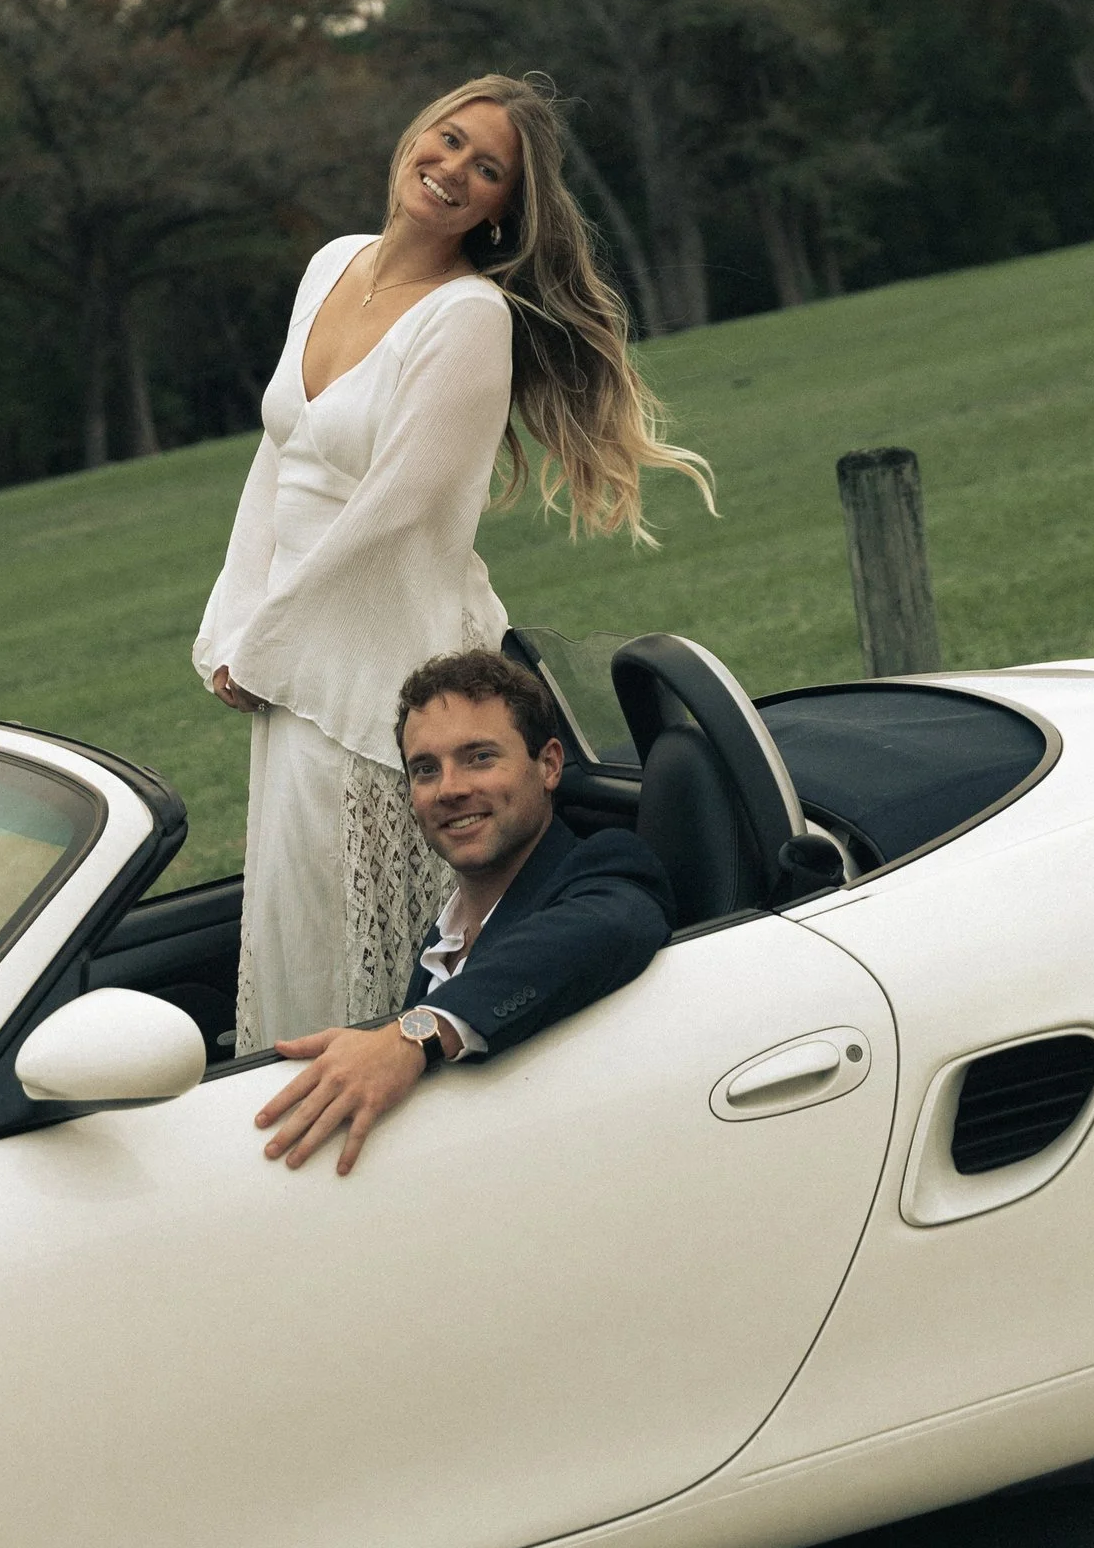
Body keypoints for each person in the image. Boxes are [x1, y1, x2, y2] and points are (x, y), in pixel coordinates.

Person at [192, 72, 712, 1048]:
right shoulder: (333, 263)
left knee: (357, 939)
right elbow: (279, 454)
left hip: (383, 659)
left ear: (501, 210)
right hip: (289, 655)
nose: (453, 169)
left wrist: (267, 646)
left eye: (487, 170)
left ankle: (379, 1083)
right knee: (290, 922)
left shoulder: (470, 317)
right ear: (415, 133)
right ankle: (277, 1104)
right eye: (449, 139)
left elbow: (398, 511)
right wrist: (230, 627)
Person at [254, 648, 674, 1173]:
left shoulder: (604, 867)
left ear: (548, 765)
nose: (450, 789)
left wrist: (415, 1036)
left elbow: (611, 923)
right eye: (426, 769)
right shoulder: (443, 936)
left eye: (480, 757)